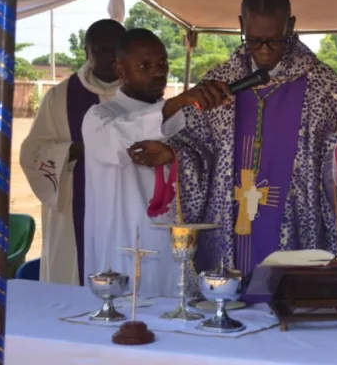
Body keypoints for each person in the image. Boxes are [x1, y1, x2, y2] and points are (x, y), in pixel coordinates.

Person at [134, 0, 337, 277]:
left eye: (274, 41)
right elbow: (196, 150)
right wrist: (172, 155)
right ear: (241, 25)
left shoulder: (322, 84)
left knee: (287, 297)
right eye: (254, 40)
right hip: (227, 227)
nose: (264, 50)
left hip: (296, 227)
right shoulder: (218, 83)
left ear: (291, 26)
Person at [81, 28, 231, 296]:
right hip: (121, 242)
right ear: (121, 70)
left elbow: (209, 166)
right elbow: (122, 136)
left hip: (170, 246)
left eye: (162, 63)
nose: (157, 72)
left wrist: (175, 157)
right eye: (145, 65)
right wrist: (179, 102)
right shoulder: (100, 117)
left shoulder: (183, 120)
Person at [20, 19, 125, 286]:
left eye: (116, 49)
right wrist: (72, 151)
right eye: (100, 49)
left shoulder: (140, 93)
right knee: (71, 276)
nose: (109, 57)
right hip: (73, 205)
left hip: (125, 204)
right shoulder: (59, 97)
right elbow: (32, 152)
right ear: (86, 51)